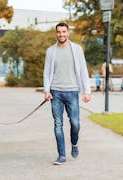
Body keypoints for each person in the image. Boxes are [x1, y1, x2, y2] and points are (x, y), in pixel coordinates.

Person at [43, 22, 91, 165]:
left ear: (68, 32)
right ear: (56, 33)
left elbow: (83, 70)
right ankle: (61, 155)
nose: (61, 34)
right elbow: (46, 72)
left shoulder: (77, 49)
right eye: (59, 32)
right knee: (58, 124)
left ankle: (74, 143)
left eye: (64, 32)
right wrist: (47, 90)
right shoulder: (51, 51)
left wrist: (87, 91)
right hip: (55, 92)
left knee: (75, 123)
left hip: (72, 91)